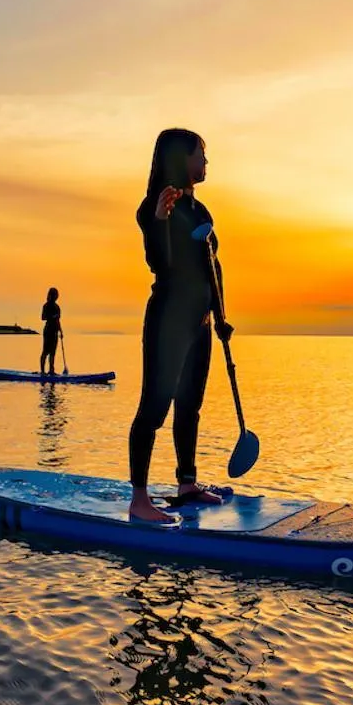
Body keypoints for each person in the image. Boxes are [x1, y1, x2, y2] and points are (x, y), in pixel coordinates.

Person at [128, 128, 235, 522]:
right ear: (180, 158)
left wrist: (221, 317)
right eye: (200, 154)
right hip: (168, 321)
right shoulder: (153, 208)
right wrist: (159, 221)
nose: (206, 162)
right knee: (154, 408)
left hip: (201, 321)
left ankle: (186, 485)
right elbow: (160, 264)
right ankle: (139, 500)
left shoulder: (201, 211)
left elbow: (213, 267)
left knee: (190, 406)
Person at [40, 287, 62, 375]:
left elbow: (58, 320)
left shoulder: (57, 307)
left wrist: (61, 331)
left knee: (53, 352)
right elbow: (43, 317)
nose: (56, 296)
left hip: (55, 331)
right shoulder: (46, 305)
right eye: (55, 295)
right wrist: (52, 316)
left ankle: (51, 370)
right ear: (51, 295)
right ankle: (42, 371)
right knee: (45, 351)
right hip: (48, 330)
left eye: (57, 295)